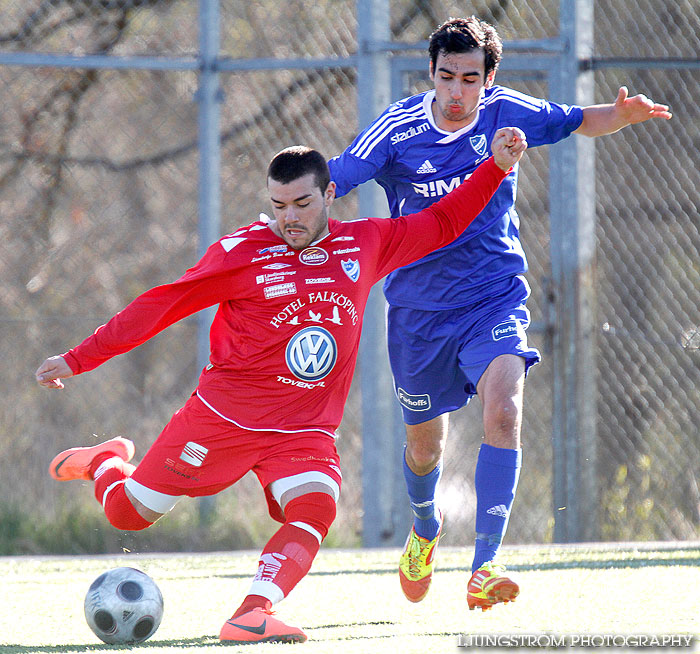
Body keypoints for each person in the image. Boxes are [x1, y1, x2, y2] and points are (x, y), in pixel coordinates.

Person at [36, 130, 526, 643]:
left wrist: (493, 167)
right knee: (127, 515)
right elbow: (161, 305)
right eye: (278, 205)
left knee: (317, 505)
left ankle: (251, 612)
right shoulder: (241, 253)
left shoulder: (365, 242)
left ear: (330, 194)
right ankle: (106, 462)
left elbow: (443, 222)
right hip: (223, 420)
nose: (289, 217)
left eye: (301, 203)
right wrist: (77, 359)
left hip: (304, 429)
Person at [328, 16, 672, 611]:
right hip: (417, 311)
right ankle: (425, 527)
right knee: (425, 450)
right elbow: (335, 176)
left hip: (494, 295)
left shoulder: (506, 111)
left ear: (489, 79)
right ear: (431, 75)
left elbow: (577, 119)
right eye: (445, 77)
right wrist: (295, 204)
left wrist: (619, 116)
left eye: (469, 78)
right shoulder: (398, 129)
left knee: (505, 409)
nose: (456, 91)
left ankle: (485, 564)